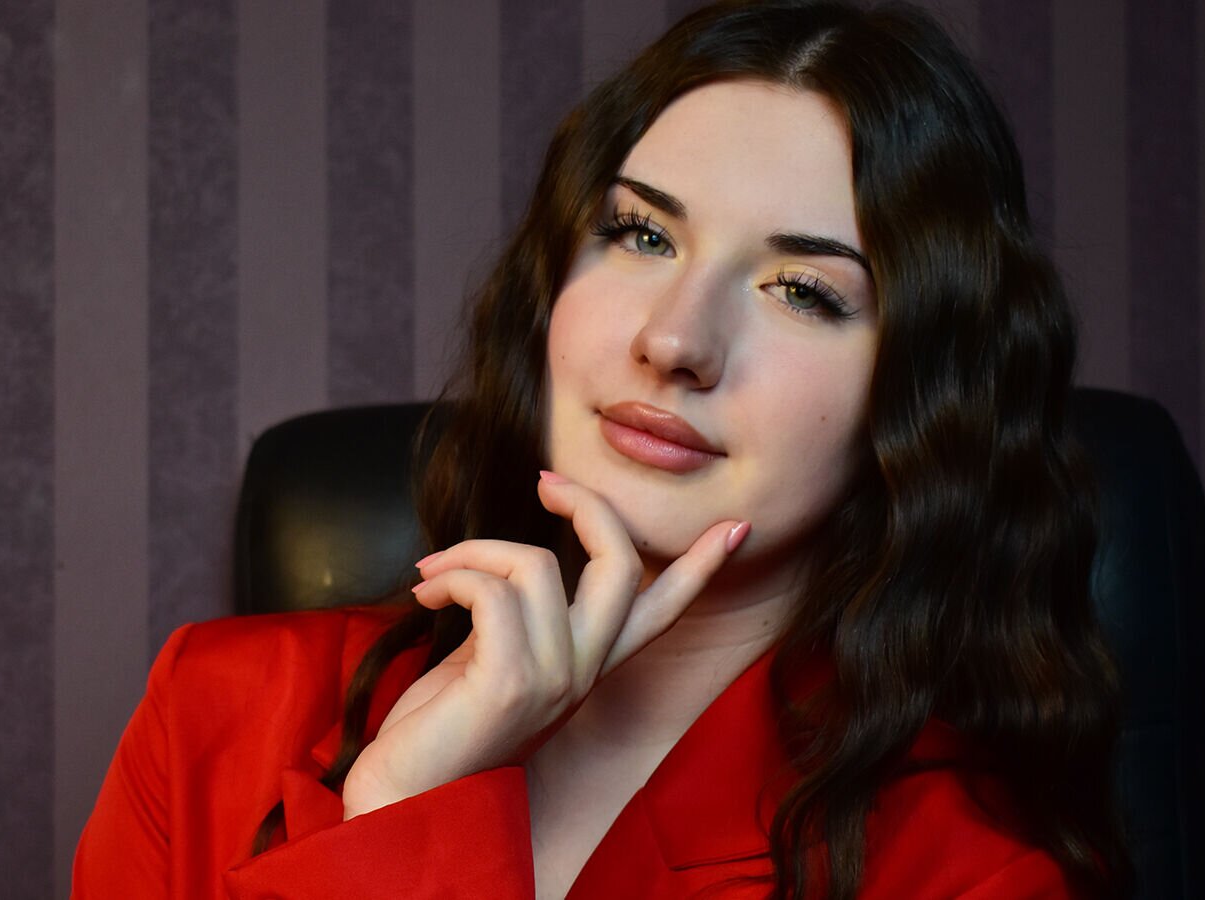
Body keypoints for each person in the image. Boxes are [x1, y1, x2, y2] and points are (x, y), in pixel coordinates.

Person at [73, 1, 1130, 897]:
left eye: (803, 291)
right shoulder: (208, 714)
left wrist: (400, 829)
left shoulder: (972, 876)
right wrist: (397, 799)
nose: (674, 341)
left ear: (918, 392)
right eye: (642, 234)